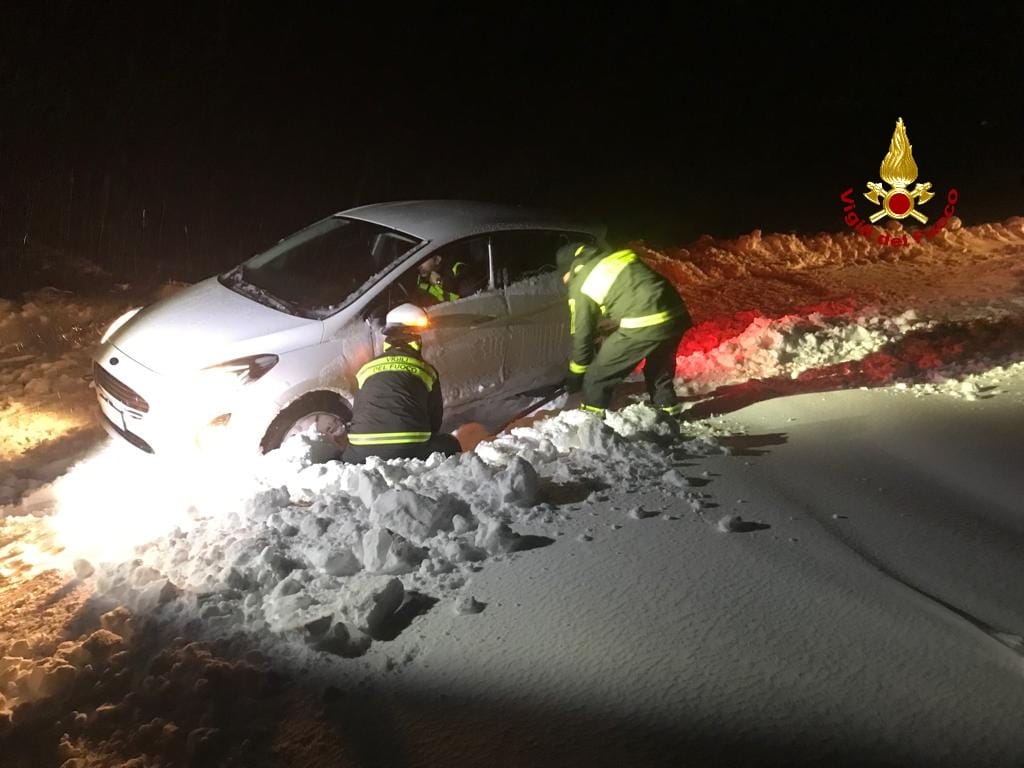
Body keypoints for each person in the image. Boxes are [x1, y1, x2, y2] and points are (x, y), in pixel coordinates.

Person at [556, 242, 692, 416]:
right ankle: (669, 414)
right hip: (675, 314)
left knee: (597, 377)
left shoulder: (581, 282)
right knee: (658, 369)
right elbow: (629, 296)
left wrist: (577, 374)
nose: (565, 282)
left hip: (644, 321)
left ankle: (591, 427)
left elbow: (582, 334)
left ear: (570, 267)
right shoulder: (615, 258)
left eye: (564, 277)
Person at [341, 303, 461, 463]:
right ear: (416, 342)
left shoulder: (365, 369)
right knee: (450, 444)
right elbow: (435, 421)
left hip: (360, 451)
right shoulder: (425, 371)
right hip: (408, 449)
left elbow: (360, 410)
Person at [415, 253, 483, 304]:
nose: (419, 266)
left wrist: (440, 282)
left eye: (423, 260)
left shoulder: (458, 268)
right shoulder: (419, 281)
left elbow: (471, 296)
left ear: (437, 260)